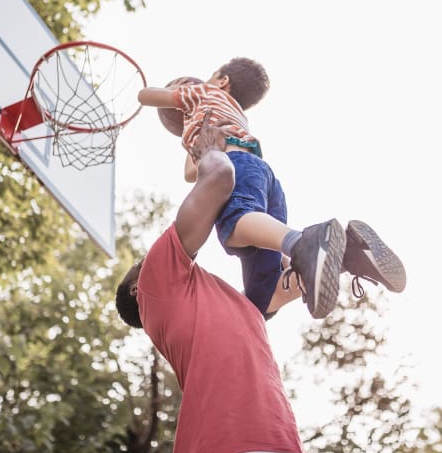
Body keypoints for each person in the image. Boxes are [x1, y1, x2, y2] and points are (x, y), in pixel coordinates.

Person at [137, 58, 406, 320]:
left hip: (236, 166)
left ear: (222, 81)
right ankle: (351, 255)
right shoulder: (232, 112)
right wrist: (190, 128)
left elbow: (145, 95)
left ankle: (301, 242)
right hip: (261, 176)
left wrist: (175, 93)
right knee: (261, 299)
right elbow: (190, 172)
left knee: (234, 223)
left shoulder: (201, 92)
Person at [116, 120, 308, 453]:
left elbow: (287, 288)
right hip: (227, 447)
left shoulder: (238, 305)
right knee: (233, 228)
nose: (148, 255)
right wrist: (207, 152)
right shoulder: (152, 285)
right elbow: (219, 178)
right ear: (136, 289)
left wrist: (339, 259)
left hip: (278, 446)